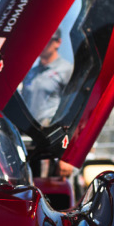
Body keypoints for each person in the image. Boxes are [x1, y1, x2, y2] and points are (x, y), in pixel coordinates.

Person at [21, 30, 75, 179]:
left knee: (50, 195)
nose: (42, 44)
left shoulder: (67, 70)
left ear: (58, 42)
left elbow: (74, 112)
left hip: (52, 145)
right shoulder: (30, 73)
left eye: (47, 39)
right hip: (28, 144)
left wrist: (67, 155)